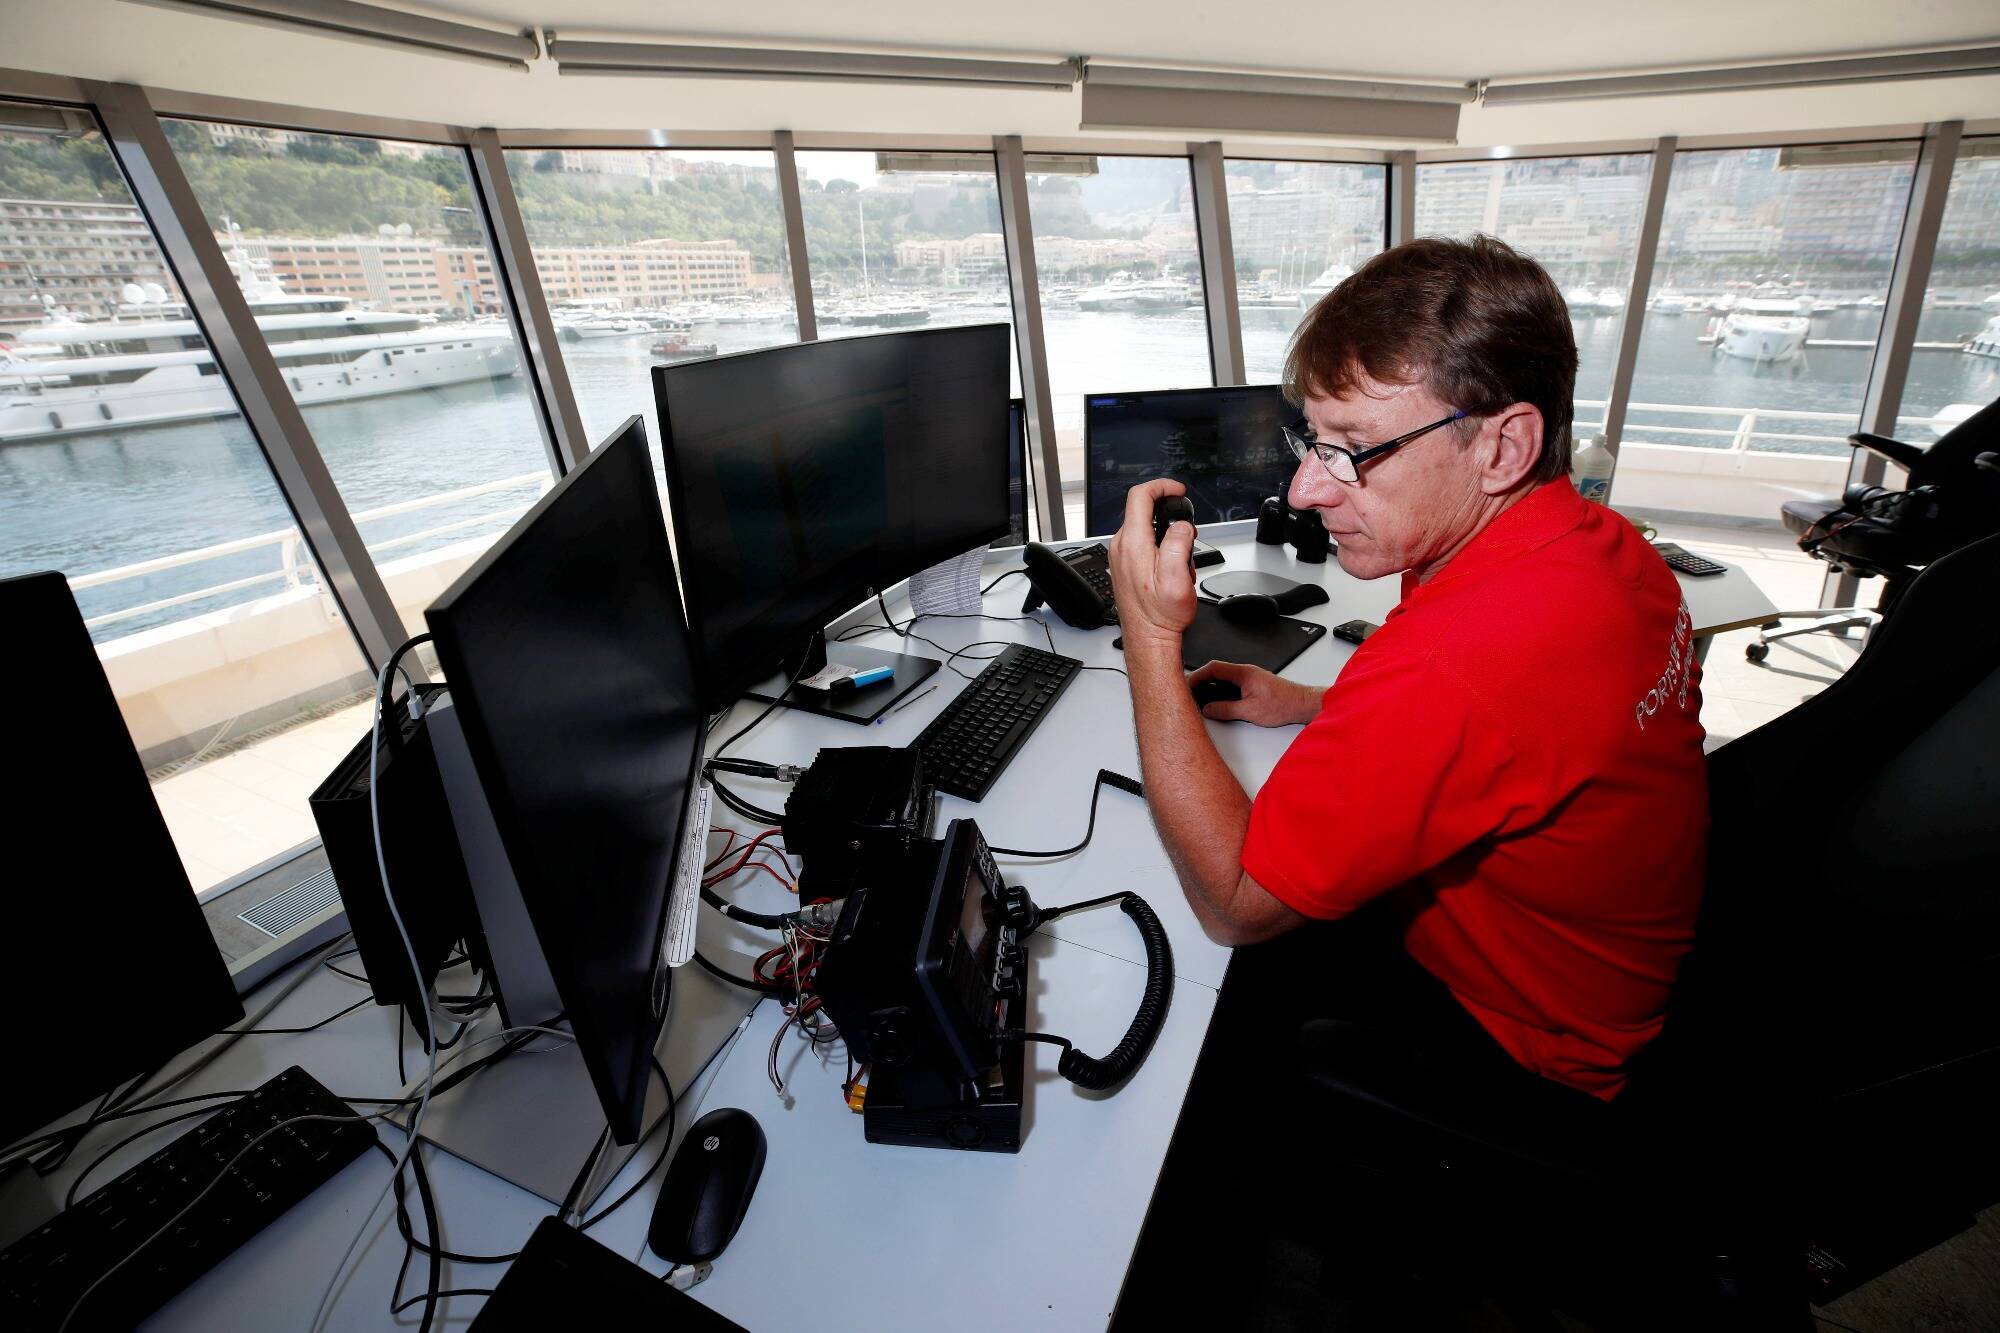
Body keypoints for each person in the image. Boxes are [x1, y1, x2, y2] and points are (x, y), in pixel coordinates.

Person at [1106, 233, 1709, 1104]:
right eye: (1310, 440)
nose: (1306, 491)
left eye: (1352, 448)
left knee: (1200, 1022)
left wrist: (1151, 639)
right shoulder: (1597, 544)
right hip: (1601, 968)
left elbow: (1235, 902)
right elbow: (1518, 733)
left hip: (1528, 1039)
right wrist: (1312, 702)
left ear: (1501, 447)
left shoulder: (1463, 655)